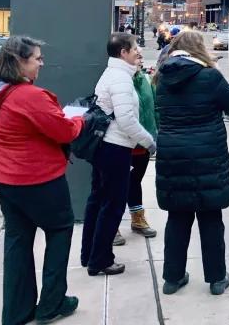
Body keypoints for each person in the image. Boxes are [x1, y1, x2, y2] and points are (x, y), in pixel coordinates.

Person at [0, 36, 83, 324]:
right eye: (37, 58)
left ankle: (15, 312)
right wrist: (80, 120)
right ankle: (52, 303)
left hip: (2, 177)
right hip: (37, 179)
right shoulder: (30, 96)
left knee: (18, 241)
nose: (41, 63)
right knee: (60, 230)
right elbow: (65, 132)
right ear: (20, 62)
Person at [154, 30, 229, 296]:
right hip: (207, 156)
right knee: (211, 217)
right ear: (198, 50)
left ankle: (172, 278)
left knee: (177, 217)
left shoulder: (161, 78)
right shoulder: (210, 76)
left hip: (173, 155)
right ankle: (216, 279)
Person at [81, 32, 156, 277]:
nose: (139, 51)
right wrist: (148, 141)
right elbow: (126, 120)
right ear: (123, 52)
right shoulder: (121, 79)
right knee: (112, 206)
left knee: (98, 201)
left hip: (104, 147)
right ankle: (101, 260)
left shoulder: (112, 74)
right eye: (135, 48)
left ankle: (89, 253)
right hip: (116, 149)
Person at [113, 54, 158, 246]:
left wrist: (156, 133)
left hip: (144, 145)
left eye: (141, 55)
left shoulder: (147, 80)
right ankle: (111, 226)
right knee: (115, 186)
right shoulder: (118, 81)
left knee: (135, 182)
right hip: (122, 145)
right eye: (136, 53)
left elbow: (155, 108)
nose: (140, 57)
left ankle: (137, 219)